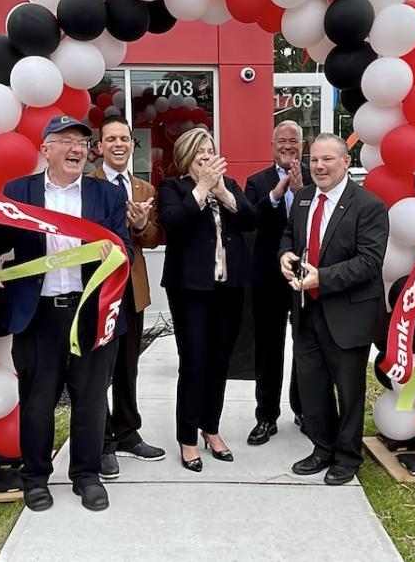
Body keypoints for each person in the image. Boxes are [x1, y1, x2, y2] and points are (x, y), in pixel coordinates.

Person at [0, 114, 133, 513]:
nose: (76, 148)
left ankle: (86, 475)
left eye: (82, 142)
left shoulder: (107, 195)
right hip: (39, 314)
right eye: (65, 140)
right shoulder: (19, 191)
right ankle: (35, 477)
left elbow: (127, 252)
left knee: (91, 400)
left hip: (90, 313)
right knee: (37, 400)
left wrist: (113, 255)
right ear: (45, 149)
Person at [279, 134, 388, 486]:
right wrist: (284, 255)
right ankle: (321, 448)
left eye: (328, 160)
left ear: (346, 161)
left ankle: (347, 456)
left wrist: (321, 278)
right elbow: (288, 235)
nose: (320, 166)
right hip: (306, 312)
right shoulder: (304, 198)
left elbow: (369, 263)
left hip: (347, 314)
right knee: (312, 387)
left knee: (349, 390)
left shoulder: (368, 205)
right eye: (314, 160)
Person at [158, 127, 258, 472]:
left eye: (210, 149)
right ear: (186, 155)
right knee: (195, 361)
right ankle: (187, 438)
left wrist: (222, 191)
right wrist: (201, 188)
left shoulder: (228, 186)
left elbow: (249, 219)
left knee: (220, 362)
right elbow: (174, 221)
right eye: (199, 150)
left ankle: (210, 428)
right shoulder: (174, 187)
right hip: (190, 291)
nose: (206, 155)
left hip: (229, 288)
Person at [88, 115, 166, 479]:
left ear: (133, 145)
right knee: (98, 370)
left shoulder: (144, 189)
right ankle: (102, 442)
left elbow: (154, 238)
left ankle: (127, 432)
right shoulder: (86, 185)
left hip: (131, 292)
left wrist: (139, 226)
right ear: (100, 146)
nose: (119, 144)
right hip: (98, 291)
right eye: (111, 139)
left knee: (128, 366)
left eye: (125, 139)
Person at [244, 120, 311, 446]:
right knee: (268, 348)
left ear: (302, 144)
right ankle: (266, 417)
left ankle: (304, 410)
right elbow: (249, 219)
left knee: (306, 345)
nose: (288, 146)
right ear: (272, 144)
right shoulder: (257, 182)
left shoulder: (315, 178)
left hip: (309, 276)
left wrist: (301, 194)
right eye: (282, 140)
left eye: (294, 141)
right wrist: (276, 195)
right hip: (268, 277)